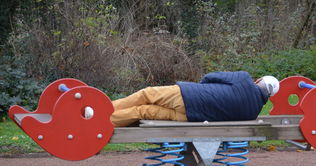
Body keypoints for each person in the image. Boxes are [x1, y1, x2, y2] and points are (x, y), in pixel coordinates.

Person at [108, 71, 280, 127]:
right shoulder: (252, 113)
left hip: (188, 95)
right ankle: (106, 122)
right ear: (269, 97)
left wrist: (203, 88)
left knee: (147, 94)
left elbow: (210, 77)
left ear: (259, 81)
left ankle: (103, 110)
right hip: (190, 117)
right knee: (143, 111)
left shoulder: (244, 78)